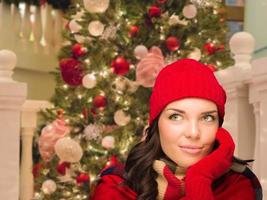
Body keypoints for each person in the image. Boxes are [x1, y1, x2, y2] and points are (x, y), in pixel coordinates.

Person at [91, 58, 262, 200]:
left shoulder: (238, 184)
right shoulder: (116, 186)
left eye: (207, 118)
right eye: (176, 117)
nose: (194, 133)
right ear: (157, 123)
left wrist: (199, 179)